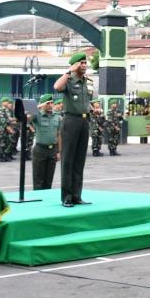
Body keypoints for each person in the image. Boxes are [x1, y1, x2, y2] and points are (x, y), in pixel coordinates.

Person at [54, 52, 94, 207]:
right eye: (81, 63)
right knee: (68, 161)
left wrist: (90, 108)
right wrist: (69, 71)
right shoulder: (68, 80)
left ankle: (77, 195)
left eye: (85, 63)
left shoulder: (87, 81)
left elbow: (86, 100)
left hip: (84, 121)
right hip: (70, 121)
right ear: (75, 64)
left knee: (79, 161)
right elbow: (57, 87)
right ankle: (67, 197)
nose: (84, 65)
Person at [30, 94, 61, 190]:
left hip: (52, 150)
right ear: (43, 104)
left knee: (49, 180)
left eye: (52, 103)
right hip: (40, 150)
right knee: (38, 179)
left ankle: (46, 199)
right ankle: (38, 201)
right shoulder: (37, 115)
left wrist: (59, 151)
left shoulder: (57, 116)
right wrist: (38, 106)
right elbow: (26, 117)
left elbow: (59, 134)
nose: (51, 105)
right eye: (48, 103)